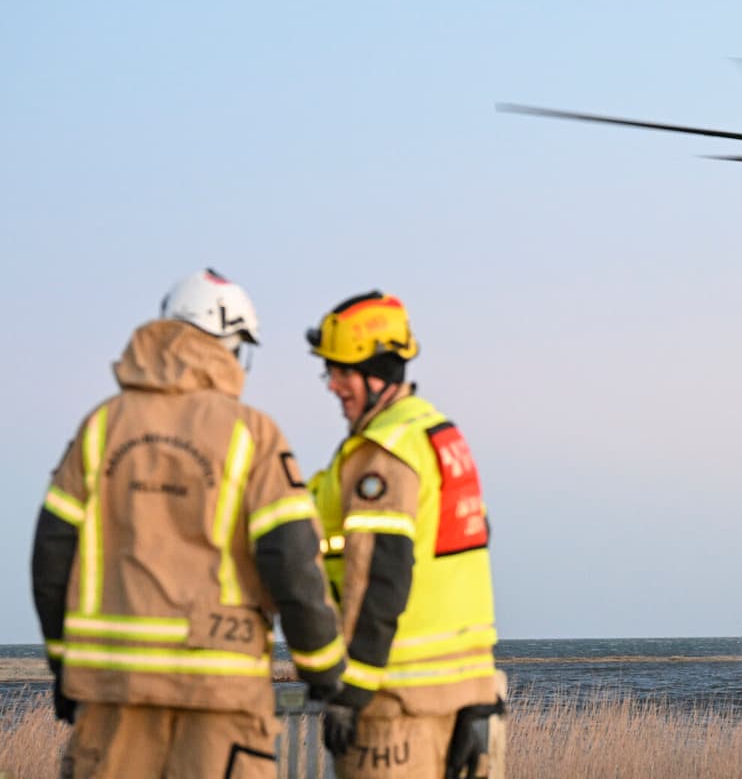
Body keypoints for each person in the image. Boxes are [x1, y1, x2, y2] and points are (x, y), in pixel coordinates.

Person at [31, 269, 347, 779]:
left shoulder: (102, 427)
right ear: (230, 344)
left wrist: (65, 665)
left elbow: (51, 556)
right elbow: (291, 561)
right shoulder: (252, 435)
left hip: (113, 693)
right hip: (219, 702)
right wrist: (326, 668)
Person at [305, 291, 505, 778]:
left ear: (379, 371)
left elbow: (380, 574)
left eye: (342, 372)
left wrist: (350, 692)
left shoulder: (383, 453)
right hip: (468, 693)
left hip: (398, 702)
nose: (333, 386)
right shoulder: (438, 437)